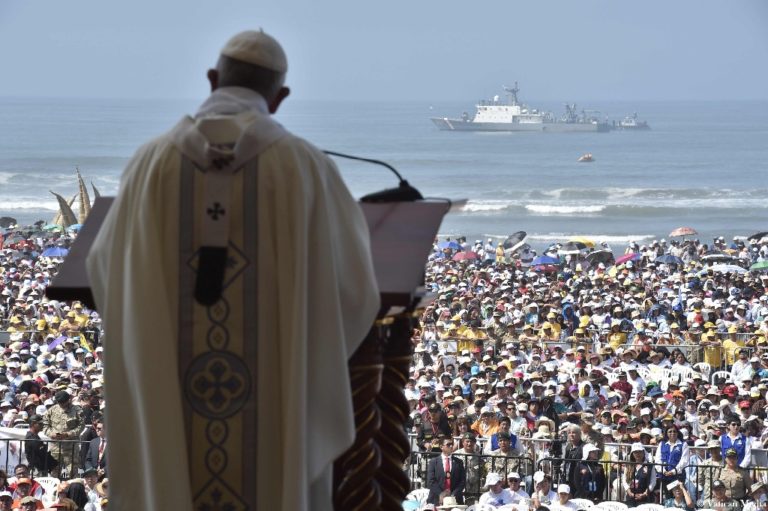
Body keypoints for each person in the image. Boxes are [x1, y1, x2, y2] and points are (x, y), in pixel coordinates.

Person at [85, 29, 380, 511]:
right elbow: (354, 290)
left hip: (170, 406)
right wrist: (301, 358)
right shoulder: (302, 167)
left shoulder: (150, 165)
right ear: (280, 98)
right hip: (273, 425)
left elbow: (106, 271)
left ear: (211, 78)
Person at [42, 391, 83, 478]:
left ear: (68, 400)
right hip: (56, 447)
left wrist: (68, 434)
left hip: (71, 446)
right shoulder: (51, 410)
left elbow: (81, 426)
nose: (61, 404)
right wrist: (51, 434)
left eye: (63, 402)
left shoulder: (77, 410)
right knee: (54, 471)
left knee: (72, 472)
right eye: (59, 402)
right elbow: (44, 425)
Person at [426, 438, 466, 505]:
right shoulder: (433, 462)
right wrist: (441, 494)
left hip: (455, 499)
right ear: (441, 447)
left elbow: (462, 481)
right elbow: (431, 480)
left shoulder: (459, 462)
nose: (451, 446)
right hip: (436, 499)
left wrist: (453, 494)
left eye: (452, 444)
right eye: (448, 444)